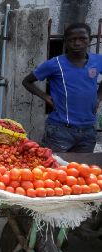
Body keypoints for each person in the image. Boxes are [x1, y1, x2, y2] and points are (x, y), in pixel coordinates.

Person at [22, 22, 102, 153]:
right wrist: (45, 97)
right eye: (72, 40)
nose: (77, 43)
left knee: (81, 170)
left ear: (90, 40)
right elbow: (27, 81)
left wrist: (98, 98)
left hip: (88, 130)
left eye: (82, 39)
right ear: (66, 42)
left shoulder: (98, 61)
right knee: (53, 168)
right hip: (59, 130)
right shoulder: (55, 64)